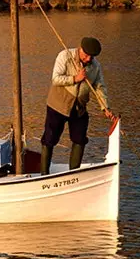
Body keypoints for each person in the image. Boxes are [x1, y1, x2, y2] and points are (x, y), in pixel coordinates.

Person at [39, 36, 114, 171]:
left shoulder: (95, 66)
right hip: (58, 105)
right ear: (80, 49)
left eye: (91, 57)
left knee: (80, 139)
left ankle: (74, 172)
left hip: (79, 107)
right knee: (49, 139)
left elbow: (99, 87)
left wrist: (105, 107)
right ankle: (44, 173)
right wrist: (75, 78)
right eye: (86, 55)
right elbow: (55, 79)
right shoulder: (65, 56)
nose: (88, 59)